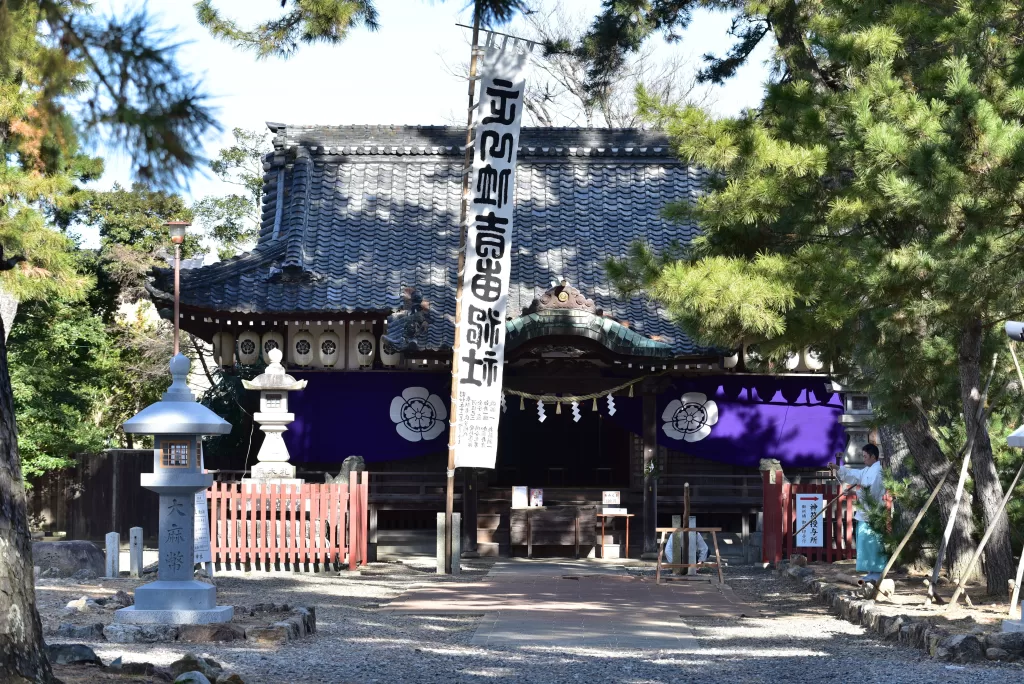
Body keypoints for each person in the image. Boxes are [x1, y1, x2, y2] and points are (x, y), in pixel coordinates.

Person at [828, 444, 886, 583]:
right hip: (864, 512)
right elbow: (855, 474)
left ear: (873, 456)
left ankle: (877, 572)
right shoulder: (868, 470)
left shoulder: (878, 472)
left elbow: (872, 492)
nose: (864, 459)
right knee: (865, 543)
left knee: (873, 543)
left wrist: (854, 492)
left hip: (874, 512)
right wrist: (838, 468)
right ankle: (871, 571)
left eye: (865, 456)